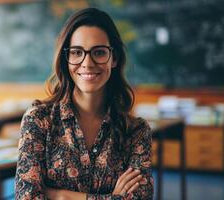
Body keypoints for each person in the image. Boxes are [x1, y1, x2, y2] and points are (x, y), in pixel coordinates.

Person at [15, 7, 153, 200]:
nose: (87, 63)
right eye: (77, 52)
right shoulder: (39, 121)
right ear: (66, 59)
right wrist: (112, 197)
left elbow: (140, 198)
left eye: (99, 52)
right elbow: (27, 197)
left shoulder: (136, 131)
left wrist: (60, 196)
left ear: (114, 58)